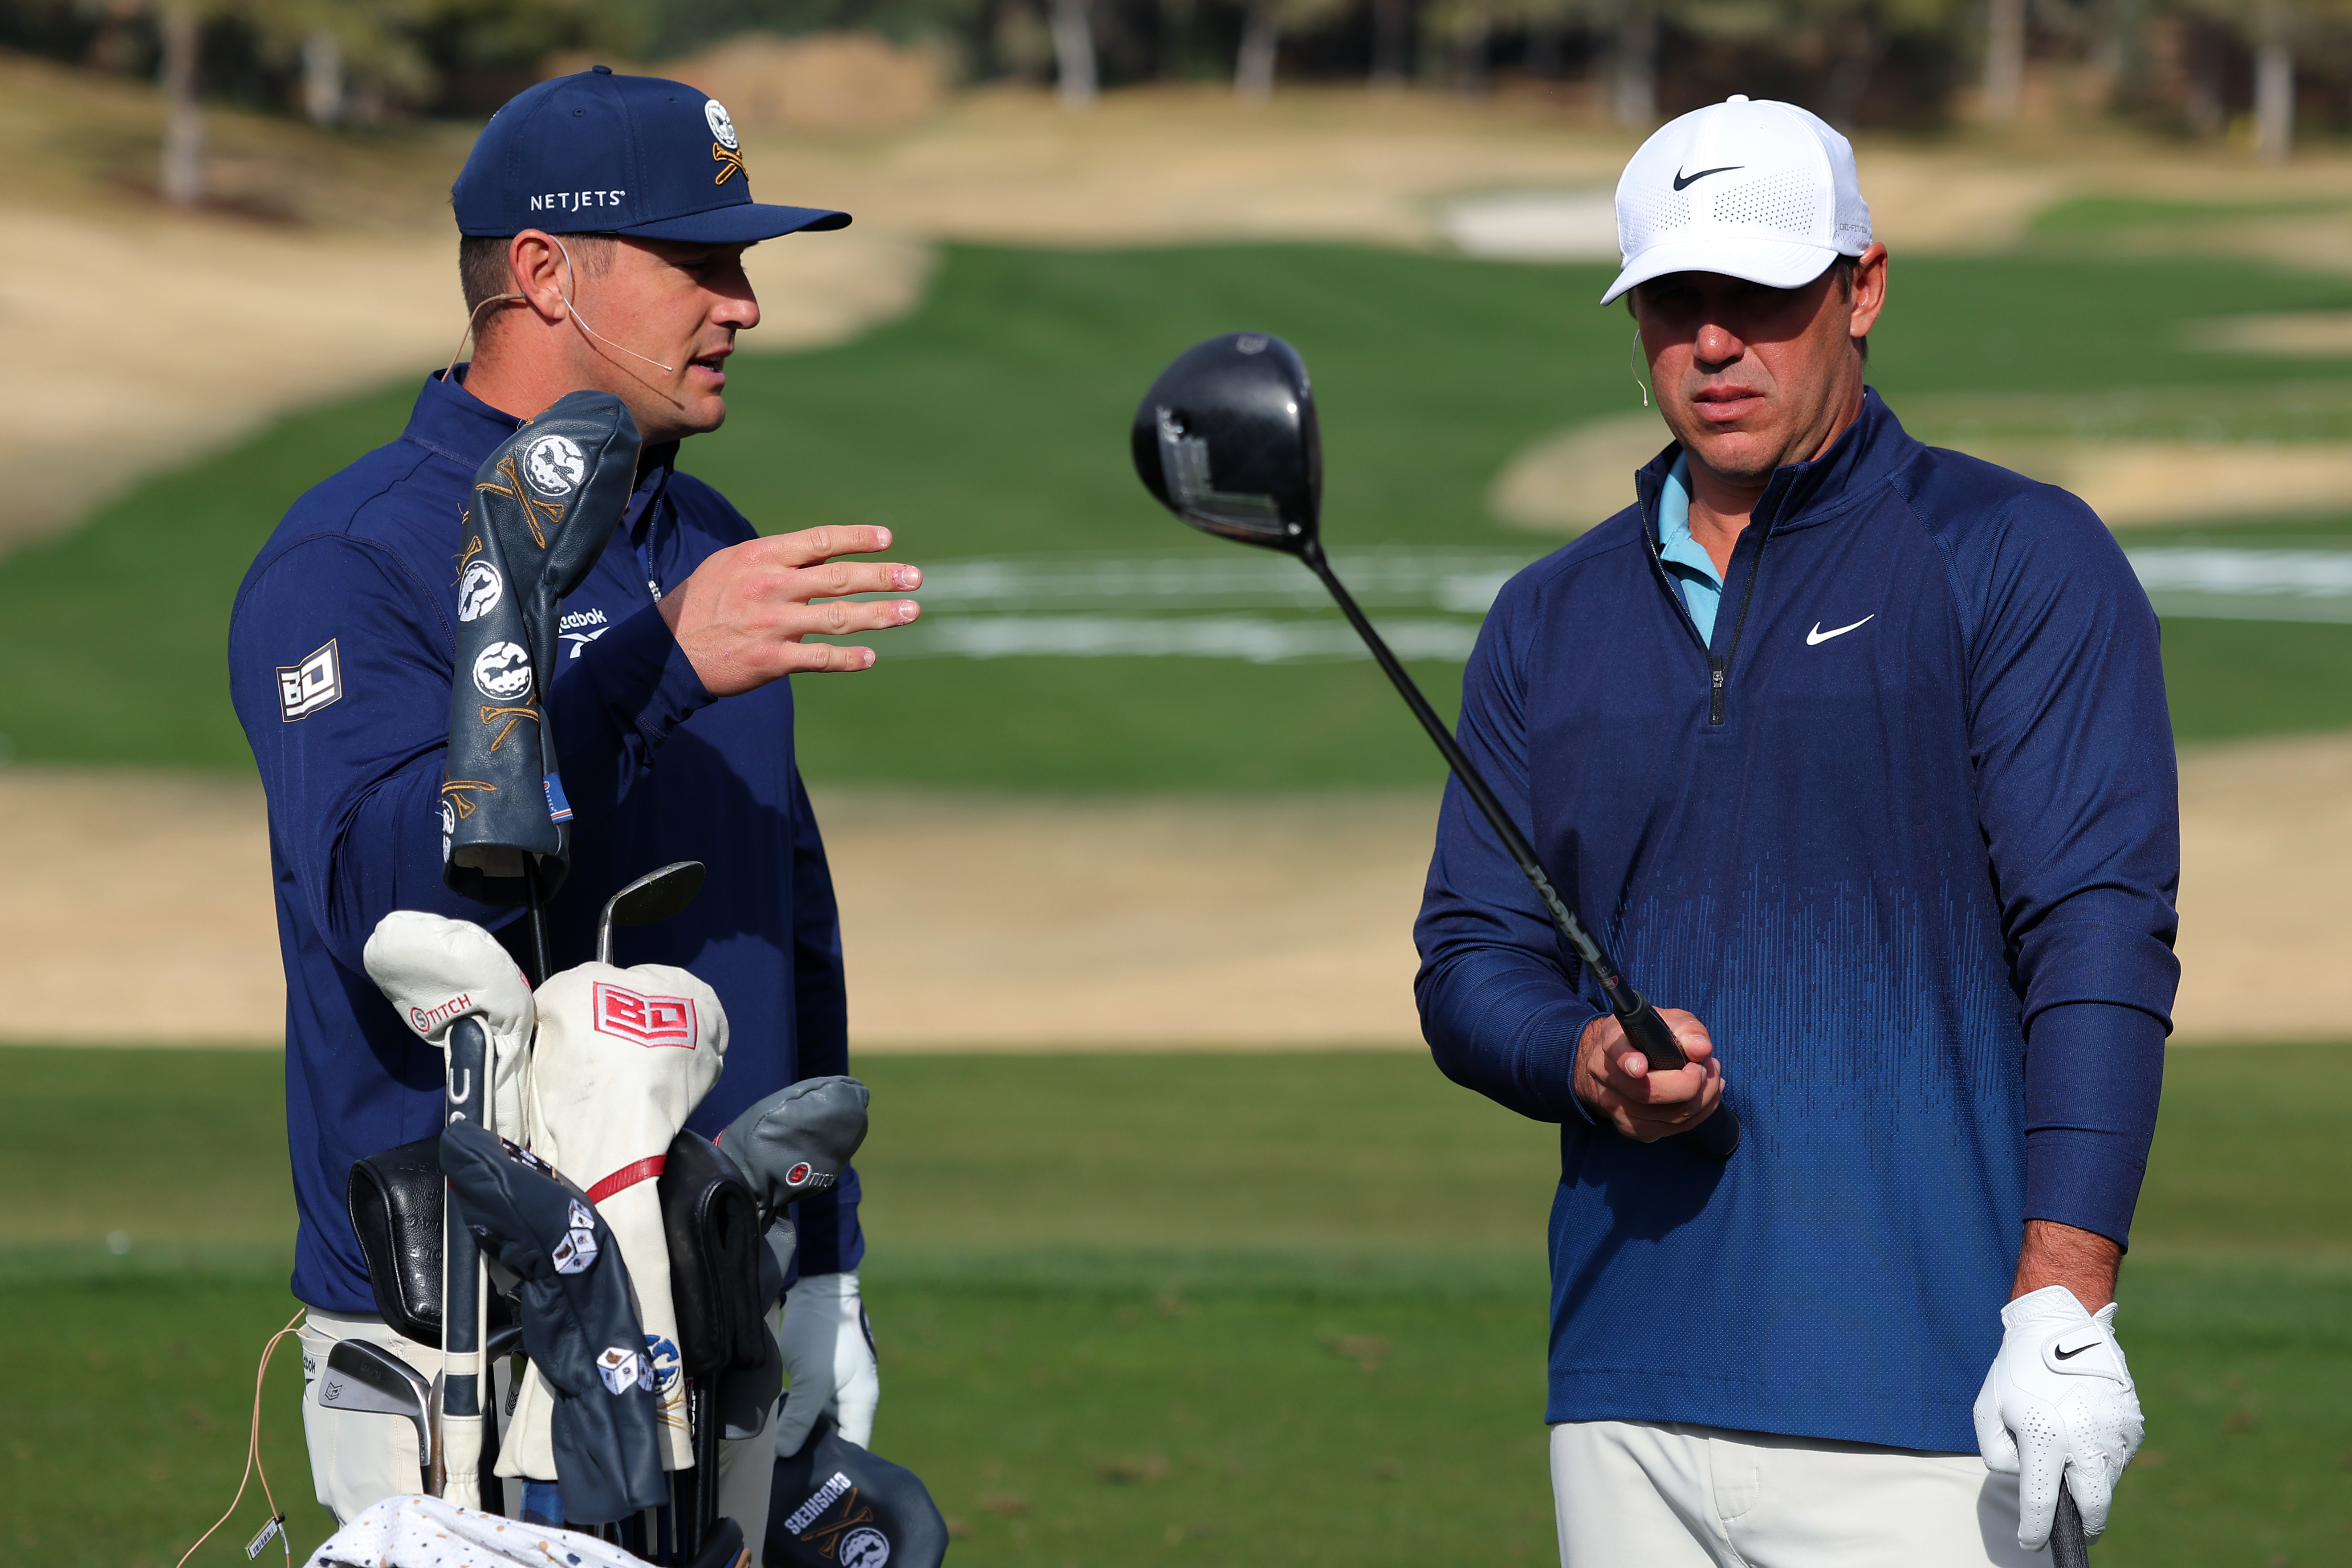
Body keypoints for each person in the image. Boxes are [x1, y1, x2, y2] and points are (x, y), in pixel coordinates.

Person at [1414, 96, 2173, 1566]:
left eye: (1760, 298)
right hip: (1624, 1394)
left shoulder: (2012, 556)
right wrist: (1581, 1059)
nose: (1712, 344)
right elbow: (1469, 959)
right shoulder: (1547, 617)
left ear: (1861, 286)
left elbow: (2097, 929)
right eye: (1672, 304)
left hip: (1938, 1395)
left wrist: (2066, 1301)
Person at [228, 68, 921, 1527]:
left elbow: (780, 913)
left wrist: (827, 1268)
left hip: (727, 1315)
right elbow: (392, 900)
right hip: (466, 1351)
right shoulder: (353, 559)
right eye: (698, 261)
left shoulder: (704, 534)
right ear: (541, 272)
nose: (743, 304)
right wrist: (656, 668)